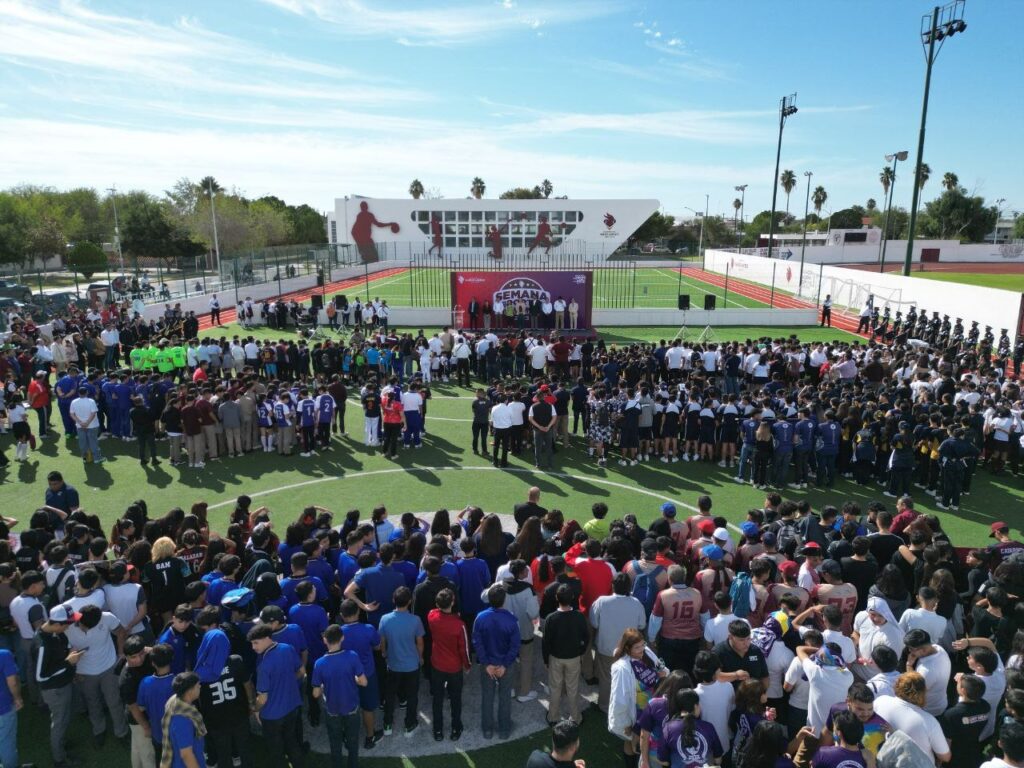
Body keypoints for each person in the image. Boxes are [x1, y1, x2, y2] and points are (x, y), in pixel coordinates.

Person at [65, 604, 129, 747]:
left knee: (114, 702)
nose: (82, 628)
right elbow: (65, 650)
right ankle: (99, 730)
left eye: (86, 627)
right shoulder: (67, 624)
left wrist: (121, 653)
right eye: (81, 625)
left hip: (109, 668)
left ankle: (122, 732)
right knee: (92, 703)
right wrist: (74, 671)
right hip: (84, 673)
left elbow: (121, 632)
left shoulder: (107, 618)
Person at [33, 604, 85, 768]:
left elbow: (63, 650)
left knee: (64, 718)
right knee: (59, 722)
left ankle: (60, 743)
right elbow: (40, 676)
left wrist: (70, 655)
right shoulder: (42, 644)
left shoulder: (56, 633)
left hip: (64, 684)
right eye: (68, 623)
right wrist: (67, 663)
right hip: (54, 690)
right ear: (57, 624)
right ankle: (59, 759)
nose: (70, 626)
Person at [608, 628, 668, 767]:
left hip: (653, 707)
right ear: (627, 648)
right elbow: (619, 699)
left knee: (648, 741)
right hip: (636, 713)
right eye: (637, 647)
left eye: (643, 644)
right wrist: (625, 723)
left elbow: (660, 669)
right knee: (631, 742)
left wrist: (661, 674)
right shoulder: (621, 668)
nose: (642, 649)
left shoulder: (646, 652)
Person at [248, 622, 306, 767]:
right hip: (292, 708)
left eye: (256, 643)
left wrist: (254, 708)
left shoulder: (264, 665)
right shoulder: (288, 648)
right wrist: (289, 682)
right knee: (292, 742)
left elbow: (262, 698)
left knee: (276, 751)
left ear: (268, 638)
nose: (253, 647)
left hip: (272, 717)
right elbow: (301, 672)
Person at [312, 623, 368, 768]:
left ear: (325, 640)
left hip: (332, 710)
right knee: (353, 742)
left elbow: (316, 693)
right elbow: (363, 682)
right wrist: (352, 678)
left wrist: (324, 685)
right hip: (352, 708)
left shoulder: (319, 663)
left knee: (335, 744)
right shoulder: (352, 656)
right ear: (342, 638)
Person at [591, 573, 647, 713]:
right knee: (628, 677)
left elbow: (594, 622)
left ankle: (604, 706)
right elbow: (641, 625)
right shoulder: (636, 603)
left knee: (606, 679)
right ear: (629, 587)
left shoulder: (601, 601)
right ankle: (625, 705)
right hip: (629, 650)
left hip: (606, 648)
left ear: (612, 585)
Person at [473, 584, 521, 740]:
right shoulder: (511, 619)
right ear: (504, 600)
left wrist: (486, 664)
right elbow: (515, 646)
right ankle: (504, 730)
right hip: (504, 665)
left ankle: (487, 730)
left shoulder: (480, 617)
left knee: (487, 696)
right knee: (504, 696)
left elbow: (477, 642)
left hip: (488, 666)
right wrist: (505, 665)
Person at [871, 672, 950, 764]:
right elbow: (945, 757)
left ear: (897, 685)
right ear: (923, 692)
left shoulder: (880, 701)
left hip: (880, 761)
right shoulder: (929, 721)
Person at [378, 585, 424, 737]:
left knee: (390, 694)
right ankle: (409, 724)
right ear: (410, 601)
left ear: (393, 600)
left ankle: (387, 724)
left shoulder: (385, 619)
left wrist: (384, 652)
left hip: (393, 664)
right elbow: (420, 642)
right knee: (412, 695)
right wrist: (421, 657)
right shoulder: (415, 620)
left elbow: (382, 640)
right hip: (411, 664)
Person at [542, 583, 589, 725]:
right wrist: (580, 652)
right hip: (574, 658)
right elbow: (585, 638)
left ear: (557, 598)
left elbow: (546, 642)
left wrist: (546, 660)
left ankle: (553, 716)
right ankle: (575, 717)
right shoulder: (579, 616)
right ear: (573, 597)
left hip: (555, 658)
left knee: (555, 688)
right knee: (572, 688)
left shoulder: (551, 618)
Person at [426, 588, 470, 741]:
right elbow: (464, 649)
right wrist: (468, 665)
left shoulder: (431, 616)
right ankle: (455, 728)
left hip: (437, 664)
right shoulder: (459, 625)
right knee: (455, 698)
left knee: (437, 699)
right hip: (454, 667)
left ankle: (438, 730)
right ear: (453, 602)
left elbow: (433, 611)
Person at [159, 672, 207, 768]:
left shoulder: (176, 703)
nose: (200, 687)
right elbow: (186, 755)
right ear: (190, 691)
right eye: (198, 686)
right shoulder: (183, 721)